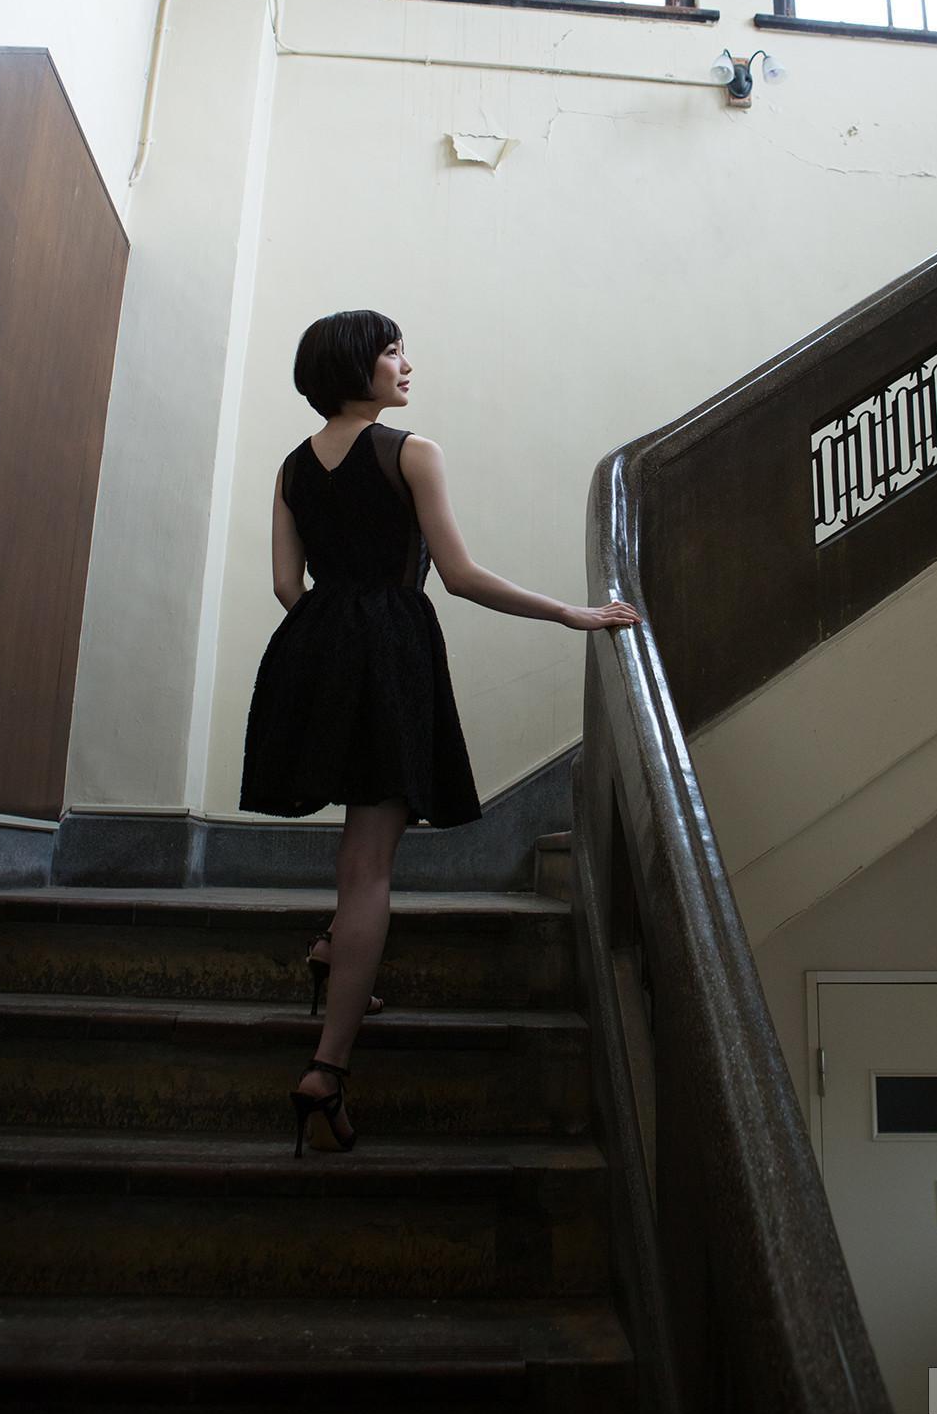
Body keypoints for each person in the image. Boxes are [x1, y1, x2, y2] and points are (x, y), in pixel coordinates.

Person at [238, 309, 641, 1155]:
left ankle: (334, 953)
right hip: (391, 654)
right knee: (371, 864)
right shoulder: (411, 452)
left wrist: (331, 645)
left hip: (314, 651)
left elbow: (284, 585)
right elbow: (457, 576)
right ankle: (327, 1070)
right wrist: (570, 612)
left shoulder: (289, 467)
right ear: (358, 367)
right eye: (392, 353)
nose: (406, 365)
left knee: (358, 850)